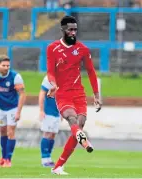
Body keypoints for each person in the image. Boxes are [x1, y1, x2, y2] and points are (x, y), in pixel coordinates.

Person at [46, 15, 102, 175]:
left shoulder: (83, 49)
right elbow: (50, 71)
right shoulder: (52, 48)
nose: (73, 32)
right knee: (71, 118)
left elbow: (91, 72)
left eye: (75, 29)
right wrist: (54, 84)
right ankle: (84, 143)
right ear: (63, 29)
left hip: (78, 93)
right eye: (70, 29)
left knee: (80, 123)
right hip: (62, 93)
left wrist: (96, 95)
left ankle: (58, 166)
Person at [0, 55, 26, 167]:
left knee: (10, 132)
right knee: (2, 131)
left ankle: (8, 160)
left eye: (8, 66)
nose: (6, 68)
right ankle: (3, 158)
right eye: (3, 65)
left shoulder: (15, 76)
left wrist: (18, 112)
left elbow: (22, 94)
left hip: (12, 108)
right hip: (1, 108)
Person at [39, 75, 61, 167]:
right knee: (47, 133)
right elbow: (42, 94)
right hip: (48, 111)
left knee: (52, 135)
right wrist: (41, 110)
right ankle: (44, 159)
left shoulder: (64, 77)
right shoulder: (48, 78)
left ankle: (49, 158)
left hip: (57, 112)